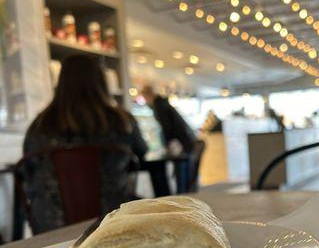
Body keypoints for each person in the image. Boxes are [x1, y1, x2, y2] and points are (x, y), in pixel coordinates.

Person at [23, 54, 147, 233]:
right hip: (113, 221)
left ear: (61, 82)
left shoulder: (40, 125)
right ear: (101, 82)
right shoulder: (122, 121)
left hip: (52, 226)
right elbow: (141, 154)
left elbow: (27, 172)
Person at [141, 86, 197, 153]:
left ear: (148, 95)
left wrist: (167, 145)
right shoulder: (162, 103)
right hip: (186, 139)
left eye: (144, 97)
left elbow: (166, 126)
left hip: (182, 142)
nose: (145, 100)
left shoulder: (159, 106)